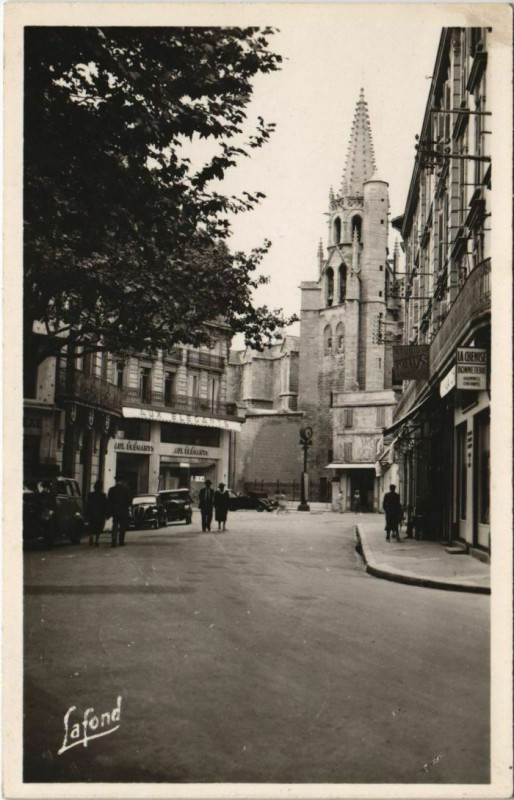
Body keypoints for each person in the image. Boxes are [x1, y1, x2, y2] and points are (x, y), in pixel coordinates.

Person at [107, 474, 132, 548]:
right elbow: (129, 500)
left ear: (116, 480)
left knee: (114, 525)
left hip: (115, 511)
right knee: (122, 526)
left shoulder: (111, 489)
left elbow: (109, 501)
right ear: (122, 481)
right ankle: (121, 541)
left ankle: (113, 541)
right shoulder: (126, 489)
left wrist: (109, 511)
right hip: (123, 511)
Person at [87, 480, 108, 547]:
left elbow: (88, 504)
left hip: (92, 513)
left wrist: (88, 513)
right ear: (101, 487)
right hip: (100, 514)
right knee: (98, 528)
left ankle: (91, 536)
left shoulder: (90, 495)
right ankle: (96, 540)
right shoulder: (103, 495)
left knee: (92, 526)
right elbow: (105, 505)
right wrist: (106, 514)